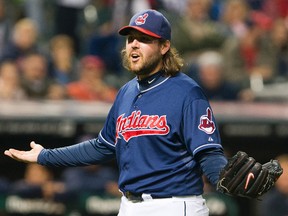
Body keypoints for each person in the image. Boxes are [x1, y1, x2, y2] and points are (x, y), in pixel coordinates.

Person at [4, 9, 231, 216]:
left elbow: (208, 152)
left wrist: (227, 178)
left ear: (164, 46)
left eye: (144, 39)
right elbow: (103, 146)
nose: (134, 44)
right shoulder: (126, 92)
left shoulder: (187, 92)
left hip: (173, 205)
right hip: (129, 205)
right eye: (131, 38)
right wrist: (45, 156)